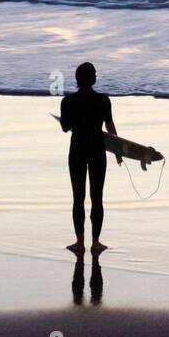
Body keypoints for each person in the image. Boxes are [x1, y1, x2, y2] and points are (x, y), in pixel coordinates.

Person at [58, 62, 117, 254]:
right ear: (93, 79)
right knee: (97, 197)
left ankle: (79, 242)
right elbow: (110, 126)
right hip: (97, 150)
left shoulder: (67, 102)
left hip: (77, 151)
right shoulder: (103, 100)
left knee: (78, 198)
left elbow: (65, 127)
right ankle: (96, 242)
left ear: (76, 79)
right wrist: (118, 151)